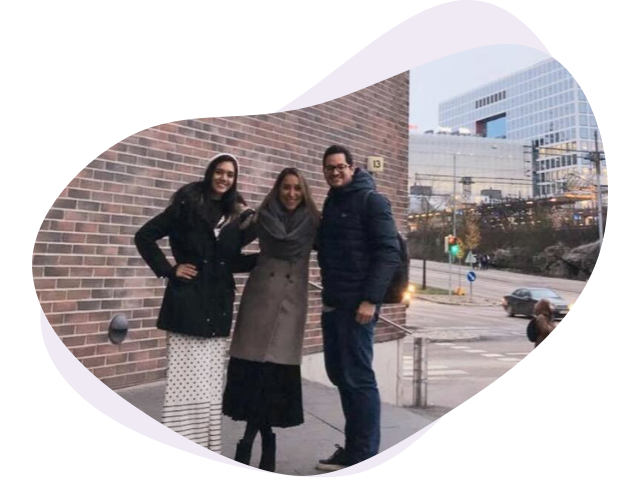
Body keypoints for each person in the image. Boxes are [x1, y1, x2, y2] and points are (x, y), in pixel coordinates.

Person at [134, 153, 254, 453]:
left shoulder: (233, 216)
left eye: (230, 174)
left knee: (211, 385)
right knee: (183, 383)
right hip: (187, 303)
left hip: (218, 306)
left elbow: (228, 261)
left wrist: (263, 261)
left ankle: (208, 446)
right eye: (219, 171)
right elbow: (144, 236)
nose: (224, 178)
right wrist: (169, 269)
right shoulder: (186, 204)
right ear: (209, 172)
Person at [222, 168, 320, 472]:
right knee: (256, 375)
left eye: (297, 189)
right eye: (286, 188)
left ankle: (251, 441)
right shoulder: (262, 216)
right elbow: (229, 247)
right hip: (260, 300)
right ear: (277, 190)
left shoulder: (315, 223)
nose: (291, 194)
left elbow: (338, 251)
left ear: (304, 192)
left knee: (271, 378)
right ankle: (263, 441)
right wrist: (257, 261)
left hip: (291, 304)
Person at [314, 145, 401, 471]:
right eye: (329, 168)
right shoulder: (333, 201)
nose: (334, 172)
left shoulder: (371, 200)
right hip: (333, 303)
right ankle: (353, 448)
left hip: (358, 307)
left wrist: (370, 300)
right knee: (340, 375)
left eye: (339, 167)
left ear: (352, 168)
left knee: (358, 379)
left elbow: (388, 253)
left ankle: (363, 454)